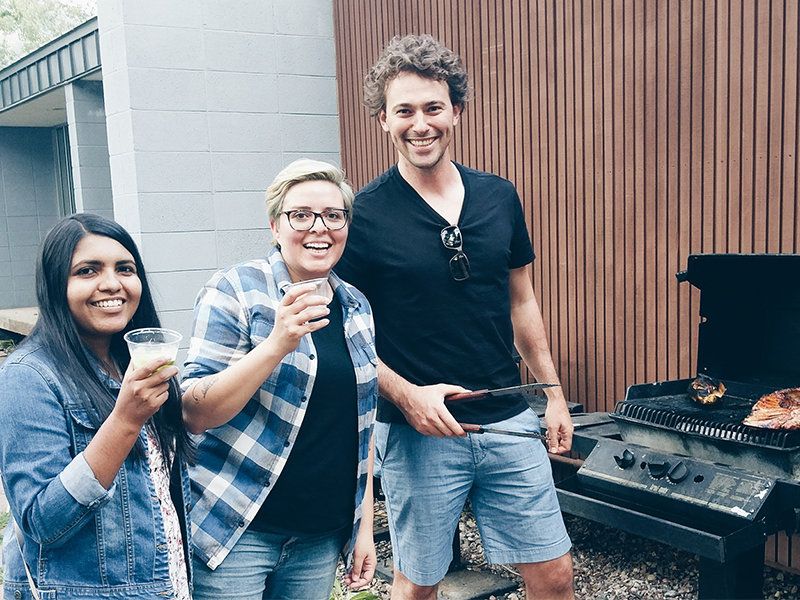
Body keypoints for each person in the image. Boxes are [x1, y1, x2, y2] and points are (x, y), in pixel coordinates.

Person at [335, 34, 576, 599]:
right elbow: (348, 335)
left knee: (555, 575)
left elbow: (523, 300)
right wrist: (407, 396)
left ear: (456, 112)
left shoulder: (498, 196)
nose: (421, 124)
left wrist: (555, 394)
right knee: (419, 585)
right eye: (405, 111)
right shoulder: (363, 216)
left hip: (507, 416)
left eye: (433, 108)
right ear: (384, 122)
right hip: (417, 431)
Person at [182, 159, 378, 600]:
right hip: (237, 529)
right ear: (275, 225)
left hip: (319, 539)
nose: (319, 228)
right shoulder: (235, 289)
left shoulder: (356, 305)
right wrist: (276, 344)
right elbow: (194, 411)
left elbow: (360, 427)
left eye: (333, 215)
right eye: (300, 215)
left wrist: (363, 527)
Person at [0, 213, 195, 600]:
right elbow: (43, 522)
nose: (112, 284)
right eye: (88, 271)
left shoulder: (134, 362)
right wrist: (125, 420)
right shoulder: (28, 376)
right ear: (56, 285)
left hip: (165, 585)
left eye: (125, 268)